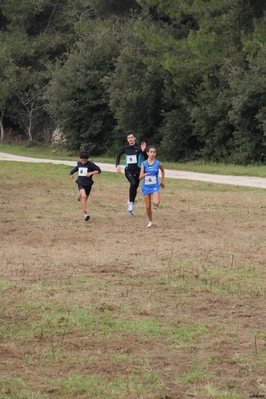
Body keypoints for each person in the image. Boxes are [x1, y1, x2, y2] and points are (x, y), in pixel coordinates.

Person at [115, 131, 147, 215]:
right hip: (128, 170)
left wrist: (143, 151)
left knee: (135, 187)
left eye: (131, 137)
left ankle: (131, 202)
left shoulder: (139, 147)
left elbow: (146, 159)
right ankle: (130, 203)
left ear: (135, 138)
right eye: (128, 138)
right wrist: (117, 165)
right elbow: (118, 155)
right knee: (133, 183)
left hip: (138, 171)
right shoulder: (125, 148)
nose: (130, 139)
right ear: (127, 139)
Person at [70, 150, 101, 221]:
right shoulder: (79, 163)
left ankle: (81, 195)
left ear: (87, 159)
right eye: (82, 160)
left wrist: (91, 173)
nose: (83, 162)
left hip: (88, 184)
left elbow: (99, 170)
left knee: (85, 199)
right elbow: (75, 169)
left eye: (85, 160)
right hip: (80, 183)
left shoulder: (90, 164)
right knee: (84, 196)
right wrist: (71, 174)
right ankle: (85, 213)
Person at [139, 145, 165, 228]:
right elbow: (140, 177)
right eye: (151, 152)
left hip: (155, 186)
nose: (152, 154)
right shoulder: (144, 164)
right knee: (147, 206)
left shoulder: (158, 163)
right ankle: (150, 221)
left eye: (154, 152)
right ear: (147, 153)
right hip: (146, 186)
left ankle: (155, 203)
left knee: (156, 202)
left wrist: (162, 182)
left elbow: (163, 172)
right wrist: (144, 175)